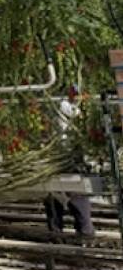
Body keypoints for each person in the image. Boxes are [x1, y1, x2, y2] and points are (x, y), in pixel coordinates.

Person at [43, 88, 95, 240]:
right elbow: (75, 114)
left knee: (72, 193)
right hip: (63, 156)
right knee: (58, 194)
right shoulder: (64, 106)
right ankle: (61, 232)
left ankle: (81, 232)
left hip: (69, 157)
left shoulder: (70, 108)